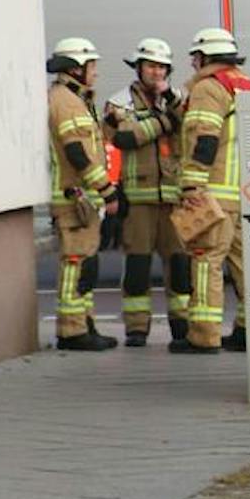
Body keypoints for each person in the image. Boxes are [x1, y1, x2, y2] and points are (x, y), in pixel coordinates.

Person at [103, 38, 188, 346]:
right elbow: (124, 137)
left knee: (180, 266)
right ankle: (137, 328)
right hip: (138, 200)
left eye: (162, 67)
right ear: (138, 67)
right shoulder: (119, 103)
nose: (157, 72)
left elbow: (193, 124)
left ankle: (183, 325)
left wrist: (172, 105)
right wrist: (164, 121)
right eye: (151, 66)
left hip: (174, 200)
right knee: (138, 266)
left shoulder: (178, 99)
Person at [172, 26, 248, 355]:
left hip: (214, 193)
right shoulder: (247, 85)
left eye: (195, 58)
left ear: (204, 57)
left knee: (206, 261)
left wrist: (192, 185)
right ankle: (248, 330)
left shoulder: (208, 88)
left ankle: (203, 335)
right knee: (246, 265)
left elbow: (204, 138)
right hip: (248, 193)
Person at [45, 37, 117, 352]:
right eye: (92, 66)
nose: (96, 73)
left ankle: (83, 324)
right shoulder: (66, 101)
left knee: (86, 264)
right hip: (74, 200)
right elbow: (76, 152)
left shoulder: (75, 99)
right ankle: (72, 331)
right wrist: (106, 188)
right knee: (76, 263)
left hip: (82, 201)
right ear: (76, 68)